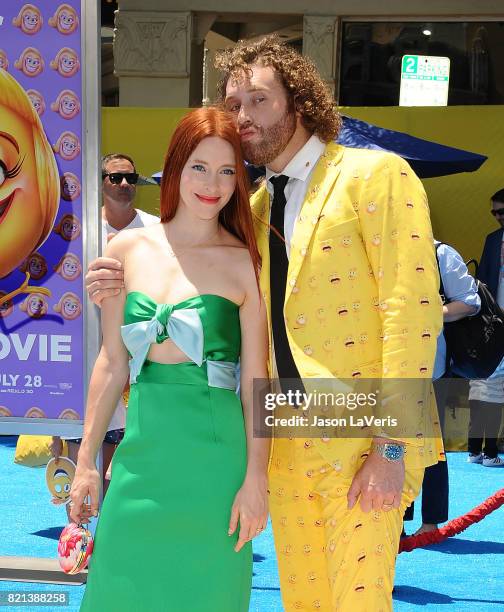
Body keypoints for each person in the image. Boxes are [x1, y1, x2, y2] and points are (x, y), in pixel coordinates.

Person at [86, 36, 443, 611]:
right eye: (233, 104)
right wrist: (117, 284)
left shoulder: (374, 176)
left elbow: (413, 314)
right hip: (281, 443)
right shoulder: (250, 210)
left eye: (258, 100)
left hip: (362, 436)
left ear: (298, 103)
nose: (243, 116)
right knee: (303, 602)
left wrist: (392, 448)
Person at [70, 108, 269, 611]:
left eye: (228, 171)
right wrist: (86, 461)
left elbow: (256, 381)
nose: (213, 184)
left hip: (218, 464)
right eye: (200, 167)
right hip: (141, 454)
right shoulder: (126, 248)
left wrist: (256, 479)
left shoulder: (244, 260)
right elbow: (112, 362)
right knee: (117, 593)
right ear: (175, 166)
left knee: (208, 595)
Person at [50, 154, 159, 514]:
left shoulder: (155, 230)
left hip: (131, 354)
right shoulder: (75, 231)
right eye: (116, 178)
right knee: (73, 447)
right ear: (100, 182)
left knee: (120, 443)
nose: (125, 184)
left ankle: (111, 522)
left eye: (131, 177)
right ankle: (78, 529)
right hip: (82, 355)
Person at [404, 241, 480, 534]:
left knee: (432, 447)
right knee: (389, 441)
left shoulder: (440, 253)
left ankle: (431, 522)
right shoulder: (373, 247)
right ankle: (395, 519)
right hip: (381, 365)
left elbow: (470, 302)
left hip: (431, 365)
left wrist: (433, 311)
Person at [467, 189, 504, 467]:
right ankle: (480, 449)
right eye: (494, 212)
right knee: (487, 384)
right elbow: (482, 282)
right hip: (496, 323)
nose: (497, 217)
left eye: (502, 211)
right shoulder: (492, 240)